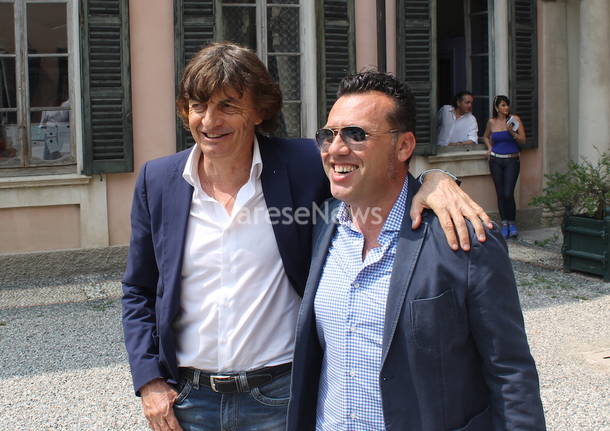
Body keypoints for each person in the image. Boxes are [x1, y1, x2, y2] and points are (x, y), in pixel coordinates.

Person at [122, 43, 491, 431]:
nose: (209, 121)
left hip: (280, 398)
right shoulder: (158, 181)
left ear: (259, 110)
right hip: (189, 401)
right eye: (198, 106)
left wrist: (436, 180)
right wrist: (150, 382)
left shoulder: (301, 165)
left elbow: (375, 168)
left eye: (228, 105)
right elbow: (138, 290)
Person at [287, 71, 546, 431]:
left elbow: (510, 373)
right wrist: (434, 176)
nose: (335, 149)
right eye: (327, 135)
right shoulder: (322, 223)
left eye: (356, 134)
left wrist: (434, 176)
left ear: (404, 146)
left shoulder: (464, 237)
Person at [483, 95, 527, 239]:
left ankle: (513, 223)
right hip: (496, 160)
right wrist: (489, 148)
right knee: (501, 193)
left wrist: (511, 132)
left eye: (507, 105)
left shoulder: (515, 120)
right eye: (502, 105)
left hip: (512, 160)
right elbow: (485, 136)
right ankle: (505, 224)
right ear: (496, 108)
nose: (506, 108)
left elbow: (523, 140)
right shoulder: (492, 122)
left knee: (508, 193)